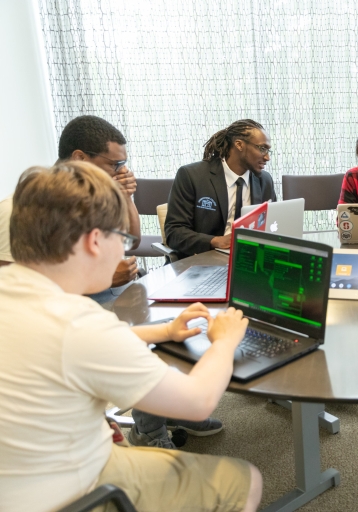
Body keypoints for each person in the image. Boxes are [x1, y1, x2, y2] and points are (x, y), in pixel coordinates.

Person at [0, 161, 262, 512]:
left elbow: (75, 347)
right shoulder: (79, 323)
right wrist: (226, 340)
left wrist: (165, 330)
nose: (124, 252)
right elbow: (198, 400)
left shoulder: (18, 293)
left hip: (19, 478)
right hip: (73, 494)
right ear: (95, 241)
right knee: (245, 480)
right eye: (122, 239)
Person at [0, 116, 141, 293]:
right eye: (115, 164)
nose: (123, 171)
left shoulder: (94, 199)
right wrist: (97, 280)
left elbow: (131, 241)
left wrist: (125, 196)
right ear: (80, 158)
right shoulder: (14, 210)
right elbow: (12, 290)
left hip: (107, 294)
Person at [165, 119, 277, 259]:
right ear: (239, 145)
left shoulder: (264, 181)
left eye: (268, 150)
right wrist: (215, 241)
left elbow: (272, 226)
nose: (267, 157)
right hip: (202, 262)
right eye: (262, 148)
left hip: (248, 262)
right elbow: (174, 232)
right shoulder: (192, 176)